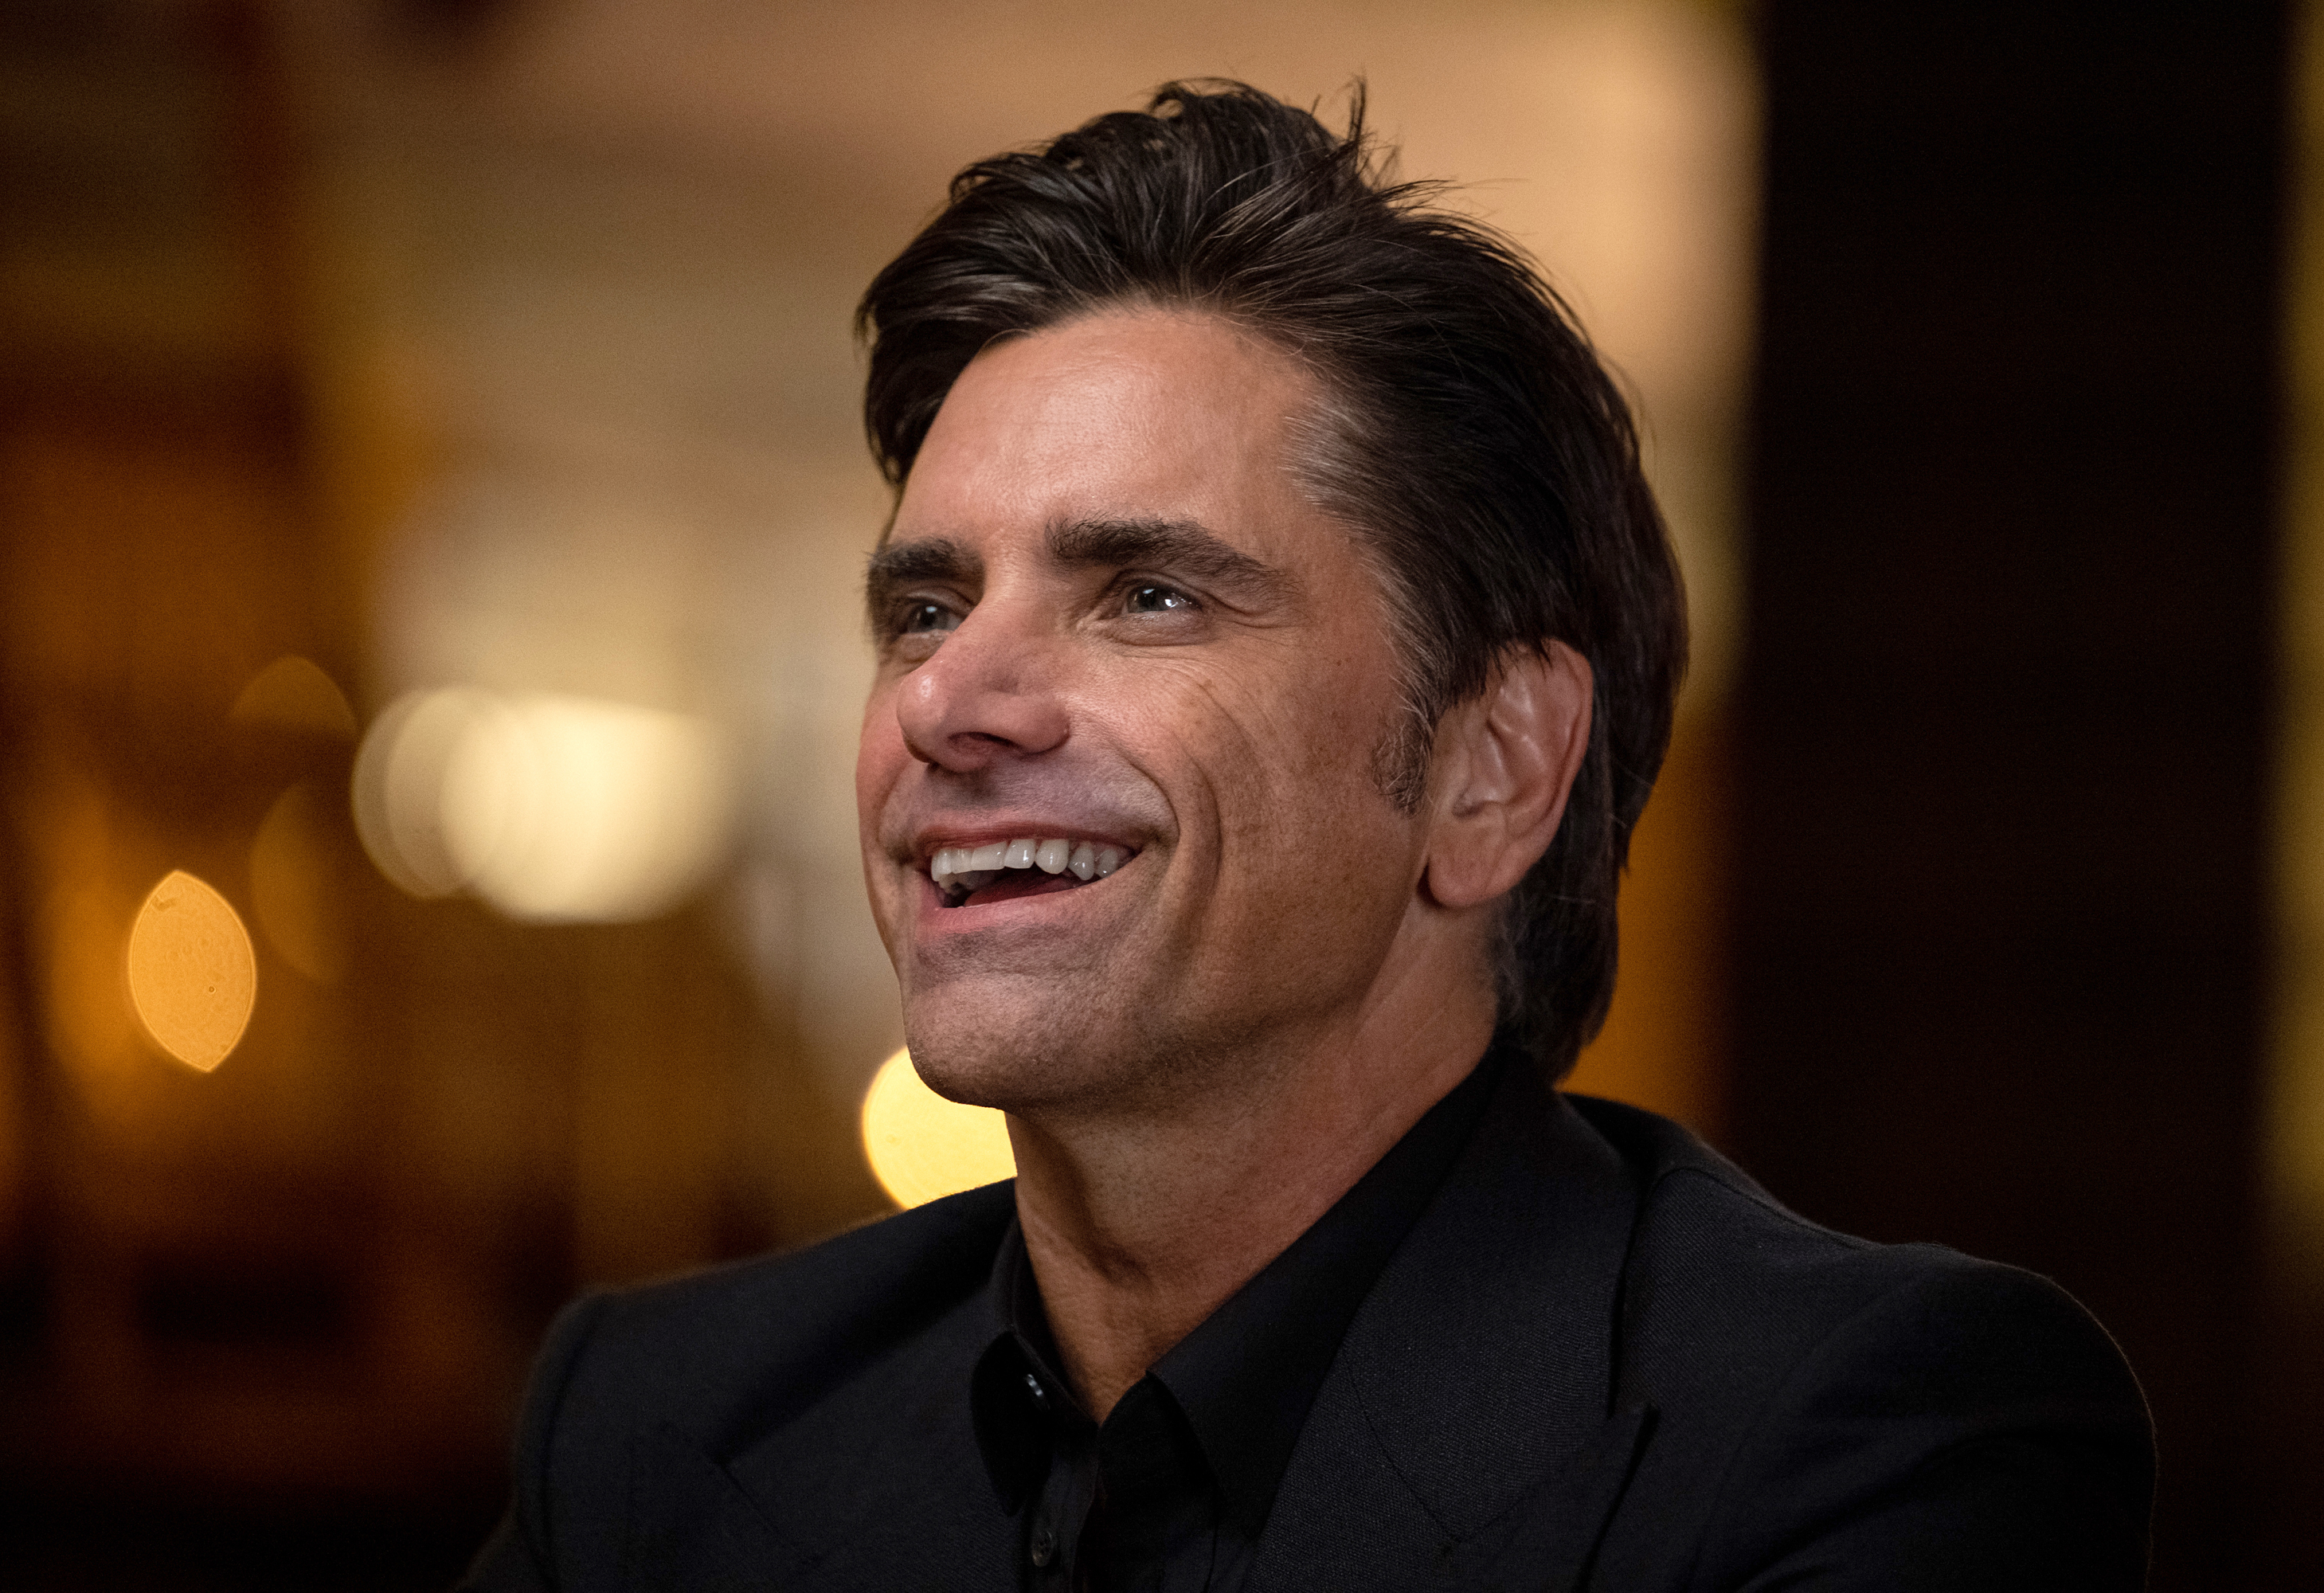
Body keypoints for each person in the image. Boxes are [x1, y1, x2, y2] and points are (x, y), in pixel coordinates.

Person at [462, 81, 2153, 1591]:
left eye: (1149, 594)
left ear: (1492, 770)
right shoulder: (658, 1427)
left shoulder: (1855, 1437)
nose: (948, 701)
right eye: (925, 608)